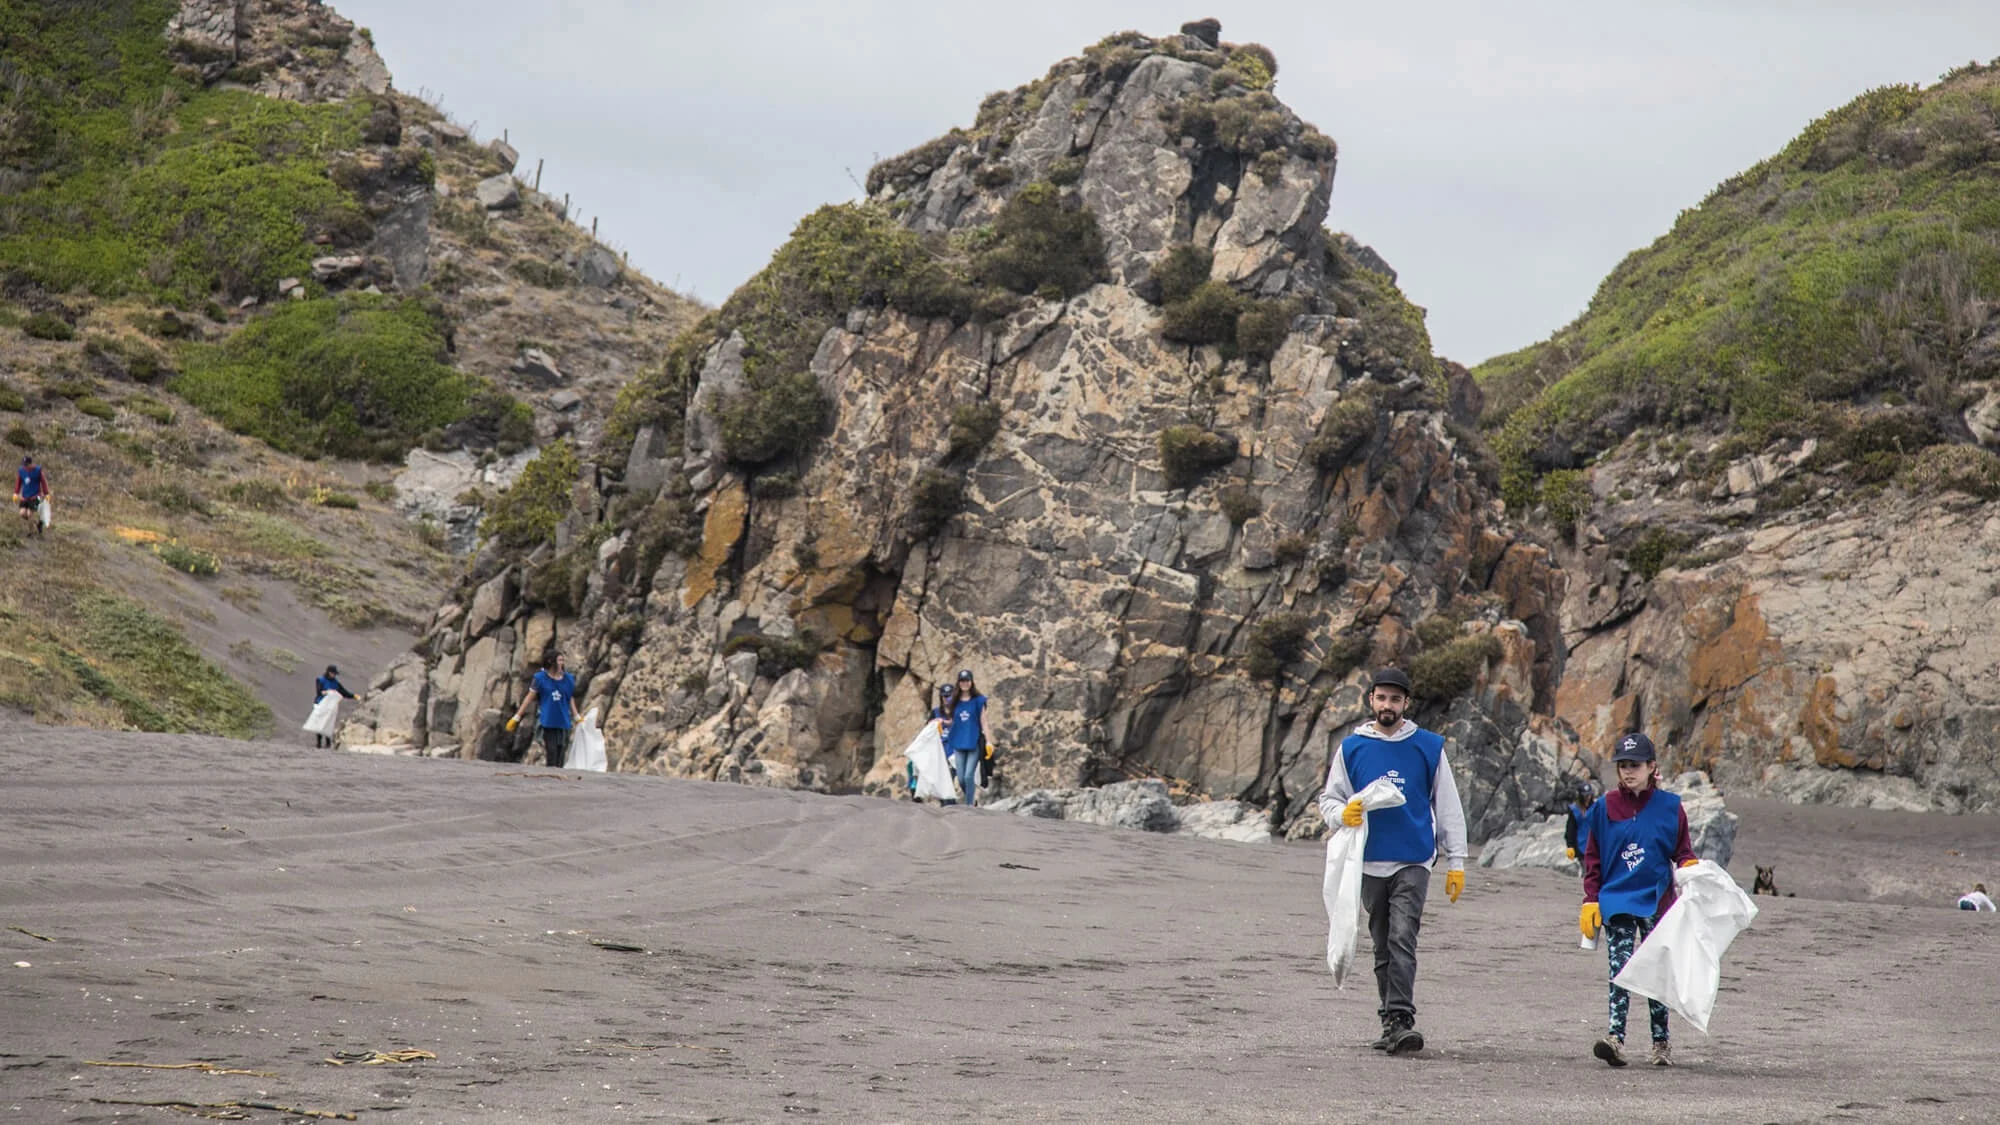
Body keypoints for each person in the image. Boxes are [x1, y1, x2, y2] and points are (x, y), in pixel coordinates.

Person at [1317, 667, 1468, 1055]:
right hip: (1367, 863)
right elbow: (1329, 799)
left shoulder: (1429, 746)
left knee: (1404, 936)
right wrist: (1342, 815)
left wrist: (1457, 861)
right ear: (1371, 700)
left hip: (1414, 858)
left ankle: (1402, 1019)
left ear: (1406, 703)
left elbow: (1448, 806)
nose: (1388, 705)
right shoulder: (1352, 747)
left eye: (1395, 699)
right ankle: (1389, 1021)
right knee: (1382, 944)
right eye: (1381, 698)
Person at [1579, 731, 1700, 1068]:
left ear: (1652, 767)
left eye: (1635, 765)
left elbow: (1684, 853)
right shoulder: (1604, 808)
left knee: (1657, 972)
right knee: (1621, 969)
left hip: (1658, 900)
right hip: (1617, 898)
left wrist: (1693, 874)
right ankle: (1615, 1038)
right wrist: (1591, 900)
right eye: (1622, 766)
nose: (1628, 772)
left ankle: (1660, 1043)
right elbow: (1594, 858)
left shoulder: (1671, 808)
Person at [506, 652, 579, 768]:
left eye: (562, 661)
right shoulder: (540, 678)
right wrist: (517, 716)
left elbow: (570, 698)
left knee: (561, 752)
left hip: (563, 720)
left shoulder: (568, 679)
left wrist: (577, 716)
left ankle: (558, 776)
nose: (562, 663)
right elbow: (529, 697)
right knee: (552, 750)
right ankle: (552, 774)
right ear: (551, 662)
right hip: (548, 719)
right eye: (559, 660)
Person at [944, 669, 989, 807]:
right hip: (958, 742)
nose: (965, 683)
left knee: (969, 775)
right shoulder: (954, 701)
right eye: (962, 681)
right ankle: (972, 799)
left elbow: (984, 721)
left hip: (973, 742)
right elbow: (951, 720)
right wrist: (940, 723)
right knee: (962, 777)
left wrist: (989, 741)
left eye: (967, 680)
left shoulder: (979, 700)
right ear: (958, 683)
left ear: (971, 682)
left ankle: (970, 805)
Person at [914, 682, 956, 802]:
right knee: (943, 783)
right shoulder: (936, 712)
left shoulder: (958, 712)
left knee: (953, 781)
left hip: (954, 751)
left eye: (950, 696)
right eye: (945, 696)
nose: (947, 698)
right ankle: (947, 806)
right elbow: (927, 730)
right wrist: (933, 723)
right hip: (939, 752)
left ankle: (954, 805)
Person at [310, 664, 358, 749]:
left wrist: (354, 696)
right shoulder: (320, 680)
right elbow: (318, 691)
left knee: (329, 723)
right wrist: (326, 692)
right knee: (320, 723)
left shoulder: (336, 683)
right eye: (333, 673)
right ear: (328, 672)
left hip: (330, 706)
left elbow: (344, 692)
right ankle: (319, 743)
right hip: (320, 704)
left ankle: (328, 744)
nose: (334, 675)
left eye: (335, 674)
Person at [1563, 776, 1601, 862]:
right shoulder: (1575, 811)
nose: (1588, 798)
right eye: (1585, 796)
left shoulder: (1596, 808)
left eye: (1589, 795)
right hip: (1581, 848)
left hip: (1597, 847)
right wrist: (1570, 846)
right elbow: (1570, 830)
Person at [14, 455, 48, 537]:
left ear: (30, 464)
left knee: (29, 514)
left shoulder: (38, 471)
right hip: (25, 496)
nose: (24, 466)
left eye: (26, 464)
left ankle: (30, 532)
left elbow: (43, 482)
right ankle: (37, 523)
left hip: (35, 496)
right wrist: (16, 493)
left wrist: (46, 493)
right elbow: (18, 482)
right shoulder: (21, 471)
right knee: (22, 513)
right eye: (23, 464)